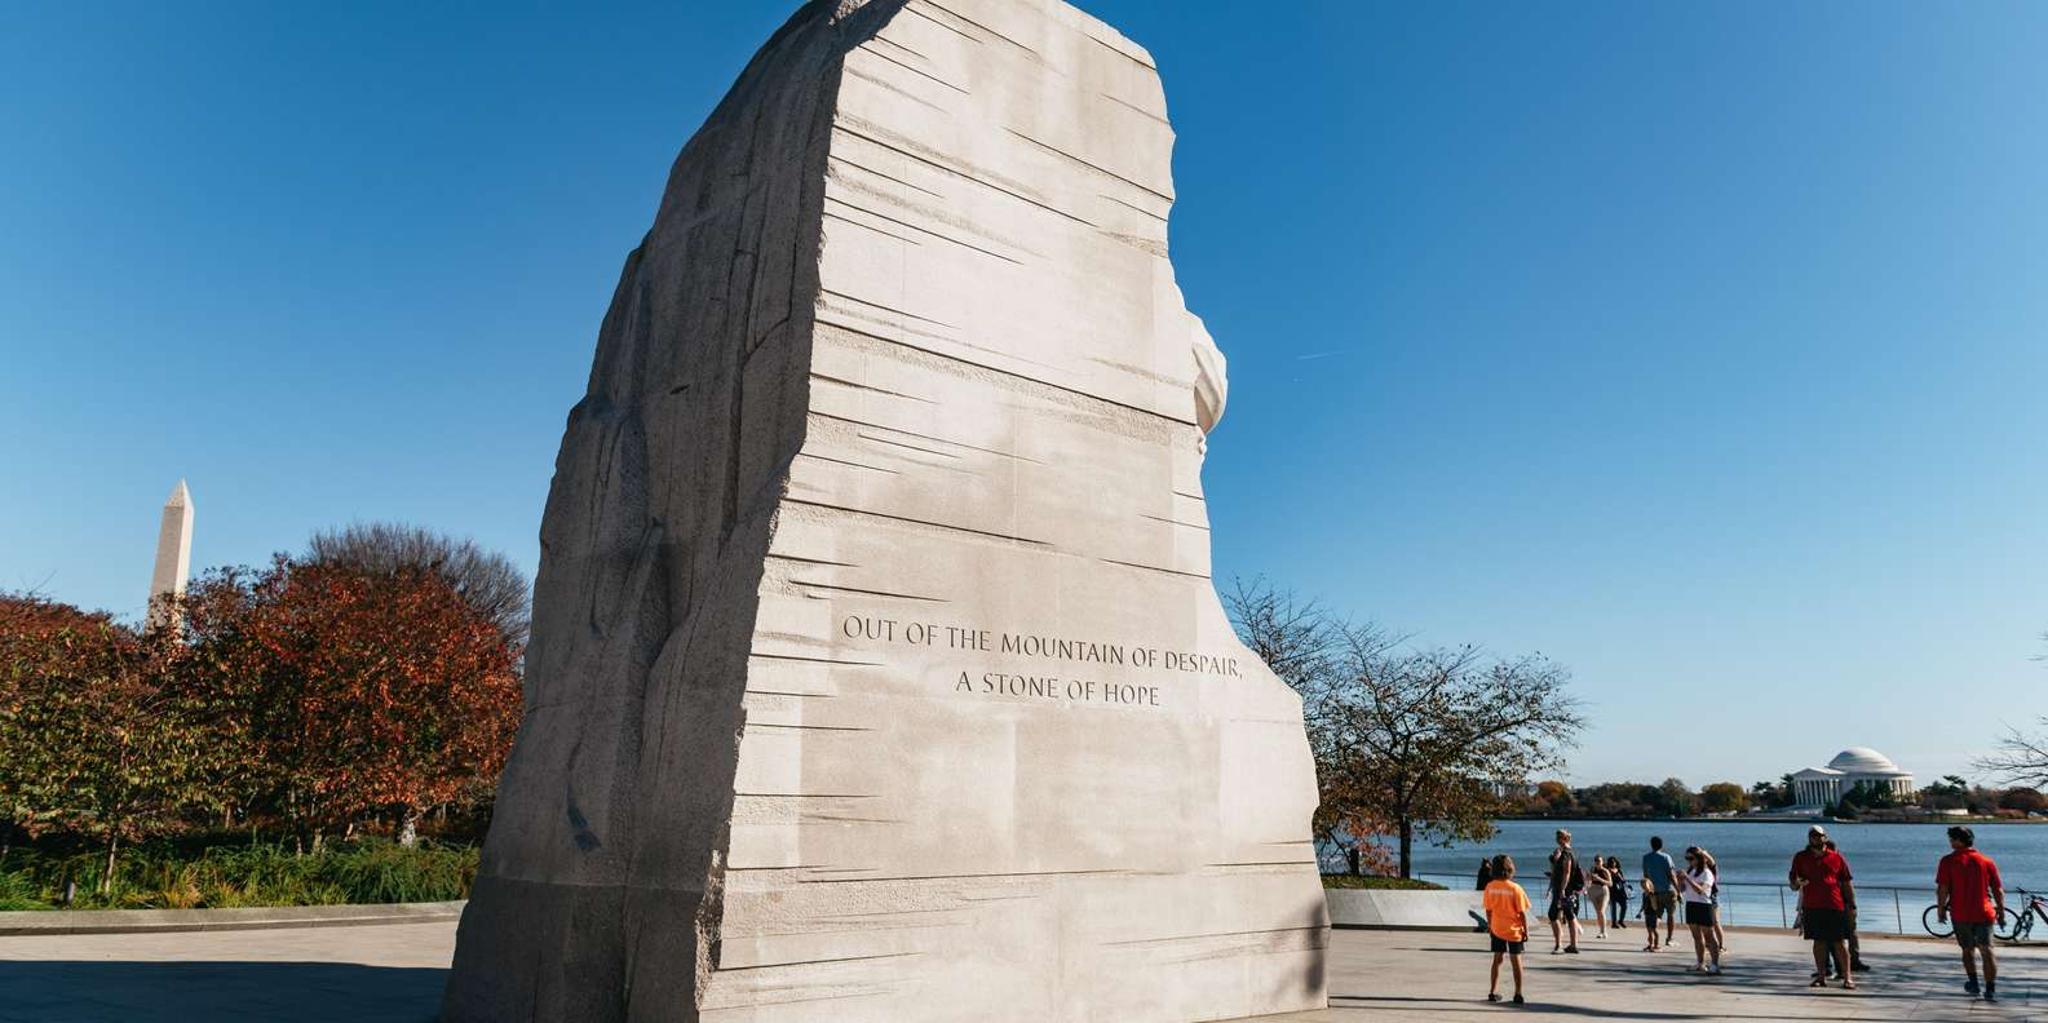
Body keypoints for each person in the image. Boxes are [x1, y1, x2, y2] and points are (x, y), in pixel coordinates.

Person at [1936, 825, 2006, 1003]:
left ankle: (1973, 982)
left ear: (1959, 841)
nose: (1950, 842)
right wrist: (2001, 910)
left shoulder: (1948, 861)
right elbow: (1998, 889)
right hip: (1984, 912)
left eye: (1952, 839)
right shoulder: (1986, 861)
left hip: (1961, 913)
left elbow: (1943, 888)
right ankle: (1990, 988)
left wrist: (1941, 909)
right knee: (1987, 950)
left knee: (1967, 949)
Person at [1789, 824, 1857, 990]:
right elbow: (1793, 883)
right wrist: (1797, 883)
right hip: (1812, 906)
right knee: (1818, 942)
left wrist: (1852, 905)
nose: (1816, 838)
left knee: (1839, 943)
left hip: (1835, 905)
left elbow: (1847, 882)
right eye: (1813, 836)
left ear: (1825, 837)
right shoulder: (1801, 857)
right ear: (1809, 838)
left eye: (1819, 836)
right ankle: (1821, 976)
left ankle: (1847, 977)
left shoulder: (1836, 857)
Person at [1483, 854, 1531, 1005]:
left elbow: (1488, 910)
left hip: (1497, 928)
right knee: (1516, 961)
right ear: (1510, 868)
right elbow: (1522, 913)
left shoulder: (1490, 887)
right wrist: (1525, 931)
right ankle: (1518, 993)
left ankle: (1493, 991)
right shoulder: (1515, 888)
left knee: (1497, 960)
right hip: (1514, 930)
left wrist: (1490, 925)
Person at [1821, 839, 1867, 976]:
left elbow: (1847, 884)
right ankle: (1832, 966)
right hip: (1831, 906)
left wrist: (1851, 904)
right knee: (1833, 938)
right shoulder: (1828, 863)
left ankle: (1847, 964)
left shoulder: (1838, 862)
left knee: (1844, 935)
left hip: (1841, 905)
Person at [1676, 847, 1723, 975]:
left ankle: (1715, 965)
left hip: (1704, 905)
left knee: (1709, 936)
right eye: (1687, 858)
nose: (1688, 861)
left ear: (1698, 858)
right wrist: (1680, 880)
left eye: (1691, 858)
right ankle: (1700, 962)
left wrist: (1687, 878)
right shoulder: (1691, 871)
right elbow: (1682, 889)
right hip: (1691, 904)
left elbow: (1701, 890)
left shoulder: (1707, 873)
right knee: (1696, 936)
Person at [1546, 829, 1585, 954]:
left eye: (1559, 837)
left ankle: (1559, 945)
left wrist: (1562, 889)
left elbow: (1567, 872)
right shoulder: (1569, 853)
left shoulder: (1567, 854)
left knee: (1553, 914)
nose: (1557, 840)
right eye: (1557, 837)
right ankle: (1573, 945)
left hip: (1562, 889)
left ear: (1565, 839)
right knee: (1569, 914)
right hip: (1568, 889)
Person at [1641, 836, 1678, 951]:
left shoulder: (1646, 858)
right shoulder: (1666, 857)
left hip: (1654, 892)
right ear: (1661, 845)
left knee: (1657, 915)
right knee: (1670, 915)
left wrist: (1648, 889)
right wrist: (1678, 890)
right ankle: (1669, 938)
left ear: (1651, 845)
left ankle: (1653, 935)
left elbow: (1646, 876)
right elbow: (1671, 875)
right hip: (1667, 890)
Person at [1586, 855, 1612, 939]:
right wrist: (1588, 880)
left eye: (1599, 861)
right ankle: (1601, 931)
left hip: (1603, 891)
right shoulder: (1592, 869)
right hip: (1593, 891)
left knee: (1601, 911)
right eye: (1596, 861)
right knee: (1598, 912)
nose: (1598, 863)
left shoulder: (1605, 871)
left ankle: (1604, 932)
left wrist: (1599, 879)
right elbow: (1589, 880)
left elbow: (1610, 883)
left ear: (1602, 862)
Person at [1608, 857, 1631, 930]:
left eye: (1614, 862)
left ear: (1616, 862)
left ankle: (1621, 920)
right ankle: (1614, 923)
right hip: (1612, 891)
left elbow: (1623, 880)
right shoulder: (1608, 870)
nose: (1613, 863)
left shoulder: (1619, 870)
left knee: (1624, 906)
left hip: (1620, 890)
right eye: (1611, 862)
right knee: (1613, 908)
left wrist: (1625, 883)